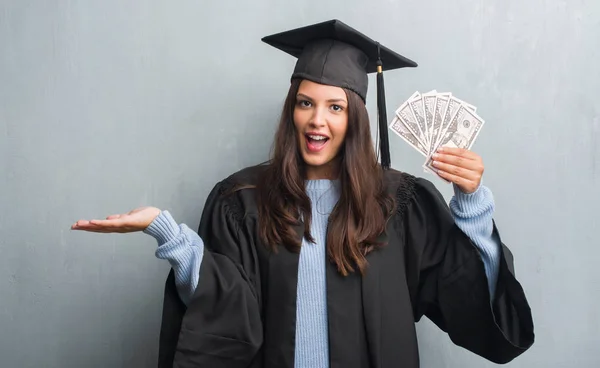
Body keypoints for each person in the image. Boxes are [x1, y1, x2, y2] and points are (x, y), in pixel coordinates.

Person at [72, 19, 534, 368]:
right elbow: (227, 306)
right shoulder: (244, 200)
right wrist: (169, 233)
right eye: (306, 103)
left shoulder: (399, 204)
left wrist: (472, 205)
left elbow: (466, 296)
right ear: (292, 110)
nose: (318, 120)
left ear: (354, 117)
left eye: (335, 106)